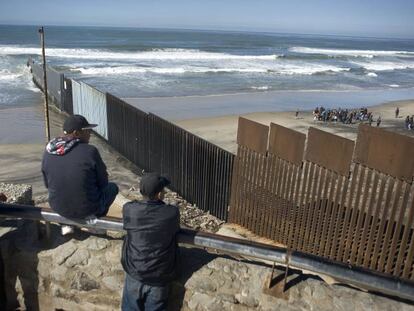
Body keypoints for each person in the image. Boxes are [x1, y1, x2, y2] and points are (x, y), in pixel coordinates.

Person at [41, 114, 118, 234]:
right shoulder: (90, 151)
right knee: (113, 188)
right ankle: (93, 221)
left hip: (58, 207)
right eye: (87, 131)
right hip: (87, 208)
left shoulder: (49, 149)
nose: (90, 134)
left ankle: (67, 224)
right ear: (77, 133)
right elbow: (103, 184)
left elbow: (47, 184)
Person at [121, 173, 180, 311]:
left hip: (135, 271)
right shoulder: (171, 213)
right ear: (159, 194)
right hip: (159, 277)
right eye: (163, 190)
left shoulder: (129, 210)